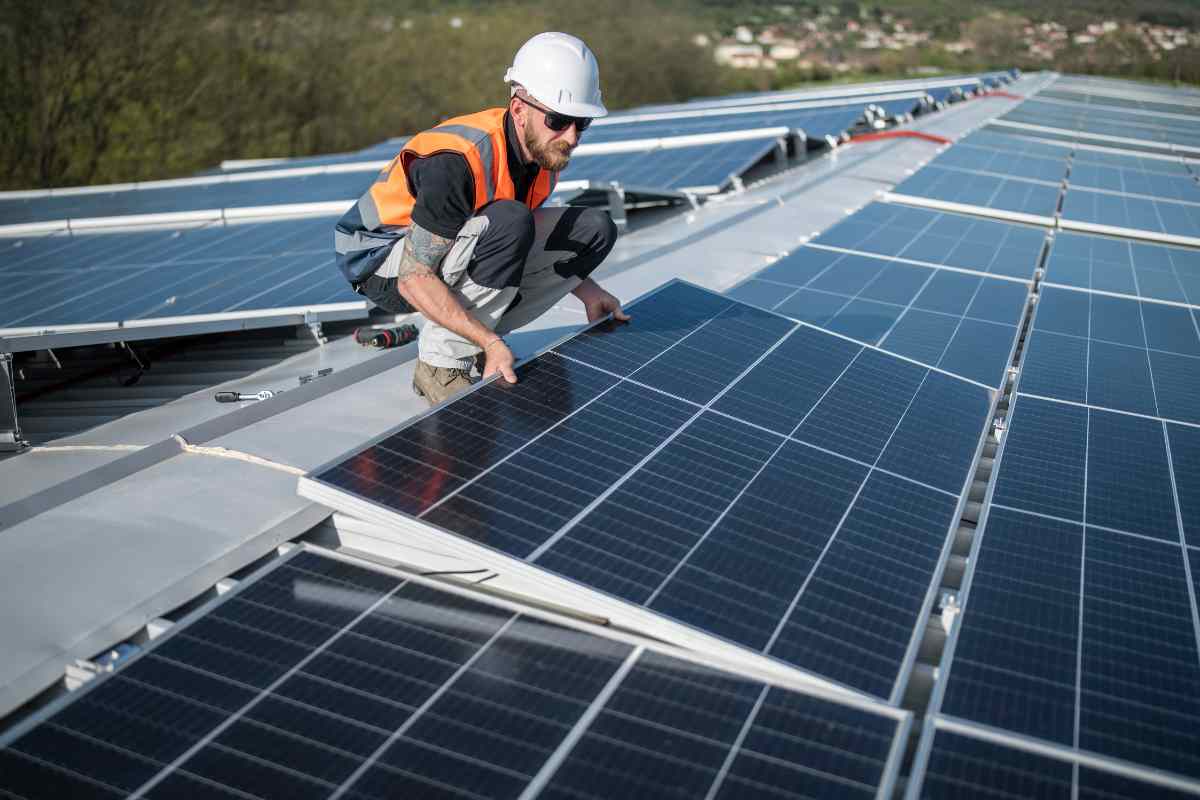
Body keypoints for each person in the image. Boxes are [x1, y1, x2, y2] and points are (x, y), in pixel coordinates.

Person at [334, 32, 629, 406]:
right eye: (558, 119)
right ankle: (441, 364)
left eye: (581, 123)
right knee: (510, 222)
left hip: (452, 247)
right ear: (519, 109)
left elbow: (529, 244)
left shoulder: (541, 153)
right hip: (382, 260)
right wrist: (489, 342)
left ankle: (469, 333)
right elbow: (413, 278)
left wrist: (590, 292)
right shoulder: (456, 163)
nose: (571, 136)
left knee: (593, 230)